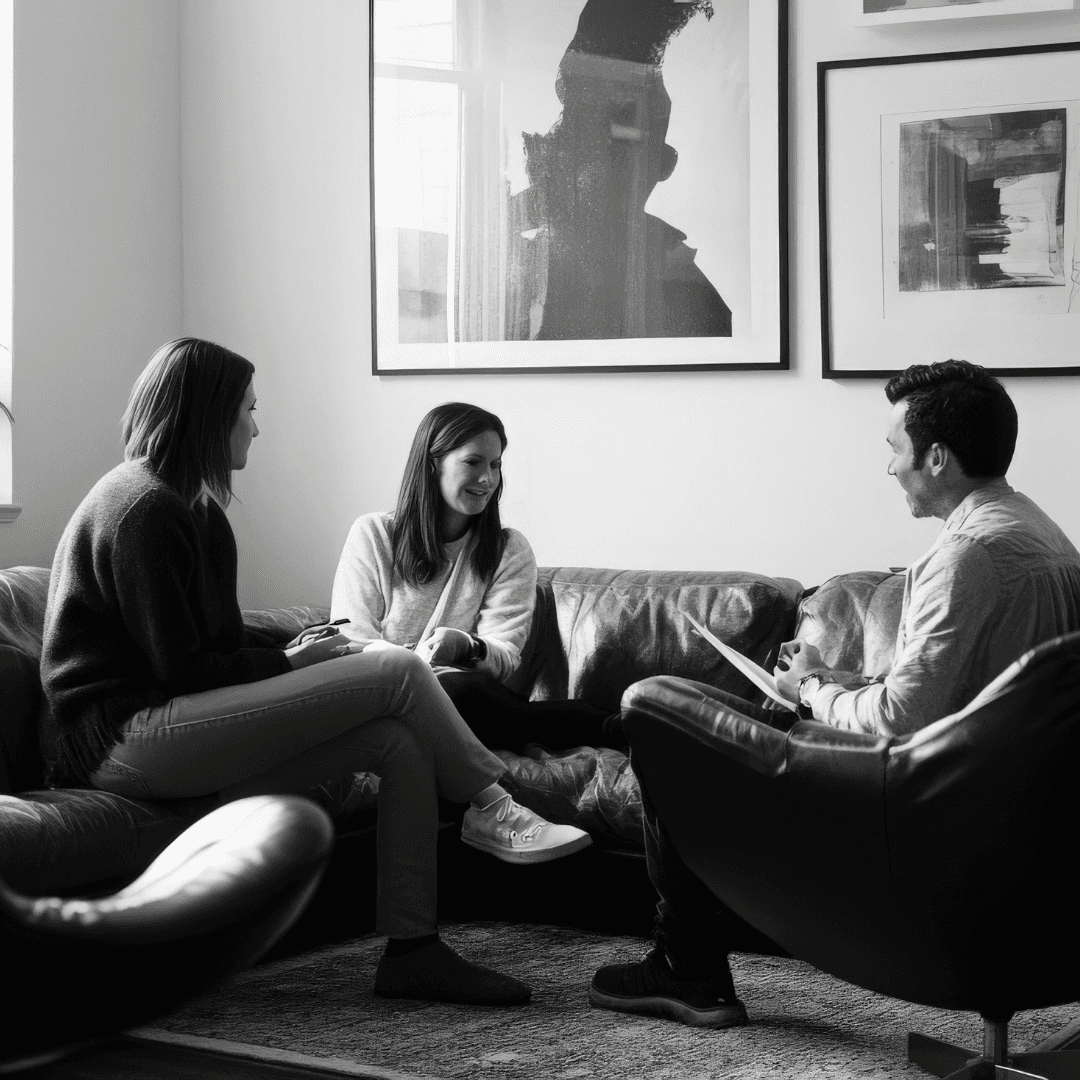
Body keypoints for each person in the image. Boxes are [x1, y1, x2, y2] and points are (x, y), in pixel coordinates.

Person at [38, 337, 589, 1008]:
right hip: (121, 739)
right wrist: (287, 662)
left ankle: (413, 951)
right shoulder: (142, 508)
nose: (257, 426)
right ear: (208, 415)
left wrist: (293, 646)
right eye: (248, 409)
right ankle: (495, 808)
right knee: (395, 670)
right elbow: (182, 670)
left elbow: (212, 641)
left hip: (173, 729)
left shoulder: (197, 510)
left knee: (399, 744)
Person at [589, 359, 1080, 1028]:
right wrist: (843, 680)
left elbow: (899, 723)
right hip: (1021, 816)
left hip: (930, 819)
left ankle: (686, 963)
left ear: (936, 458)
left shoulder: (966, 555)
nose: (889, 468)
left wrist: (813, 687)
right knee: (713, 720)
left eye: (895, 449)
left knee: (657, 715)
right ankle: (685, 956)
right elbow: (985, 693)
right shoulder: (1045, 536)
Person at [330, 402, 627, 790]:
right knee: (443, 697)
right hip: (383, 693)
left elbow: (504, 655)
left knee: (463, 692)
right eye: (473, 462)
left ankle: (628, 727)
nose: (487, 479)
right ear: (432, 464)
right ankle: (617, 727)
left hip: (466, 699)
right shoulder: (373, 534)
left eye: (496, 465)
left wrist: (465, 646)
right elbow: (352, 639)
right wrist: (413, 668)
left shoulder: (508, 549)